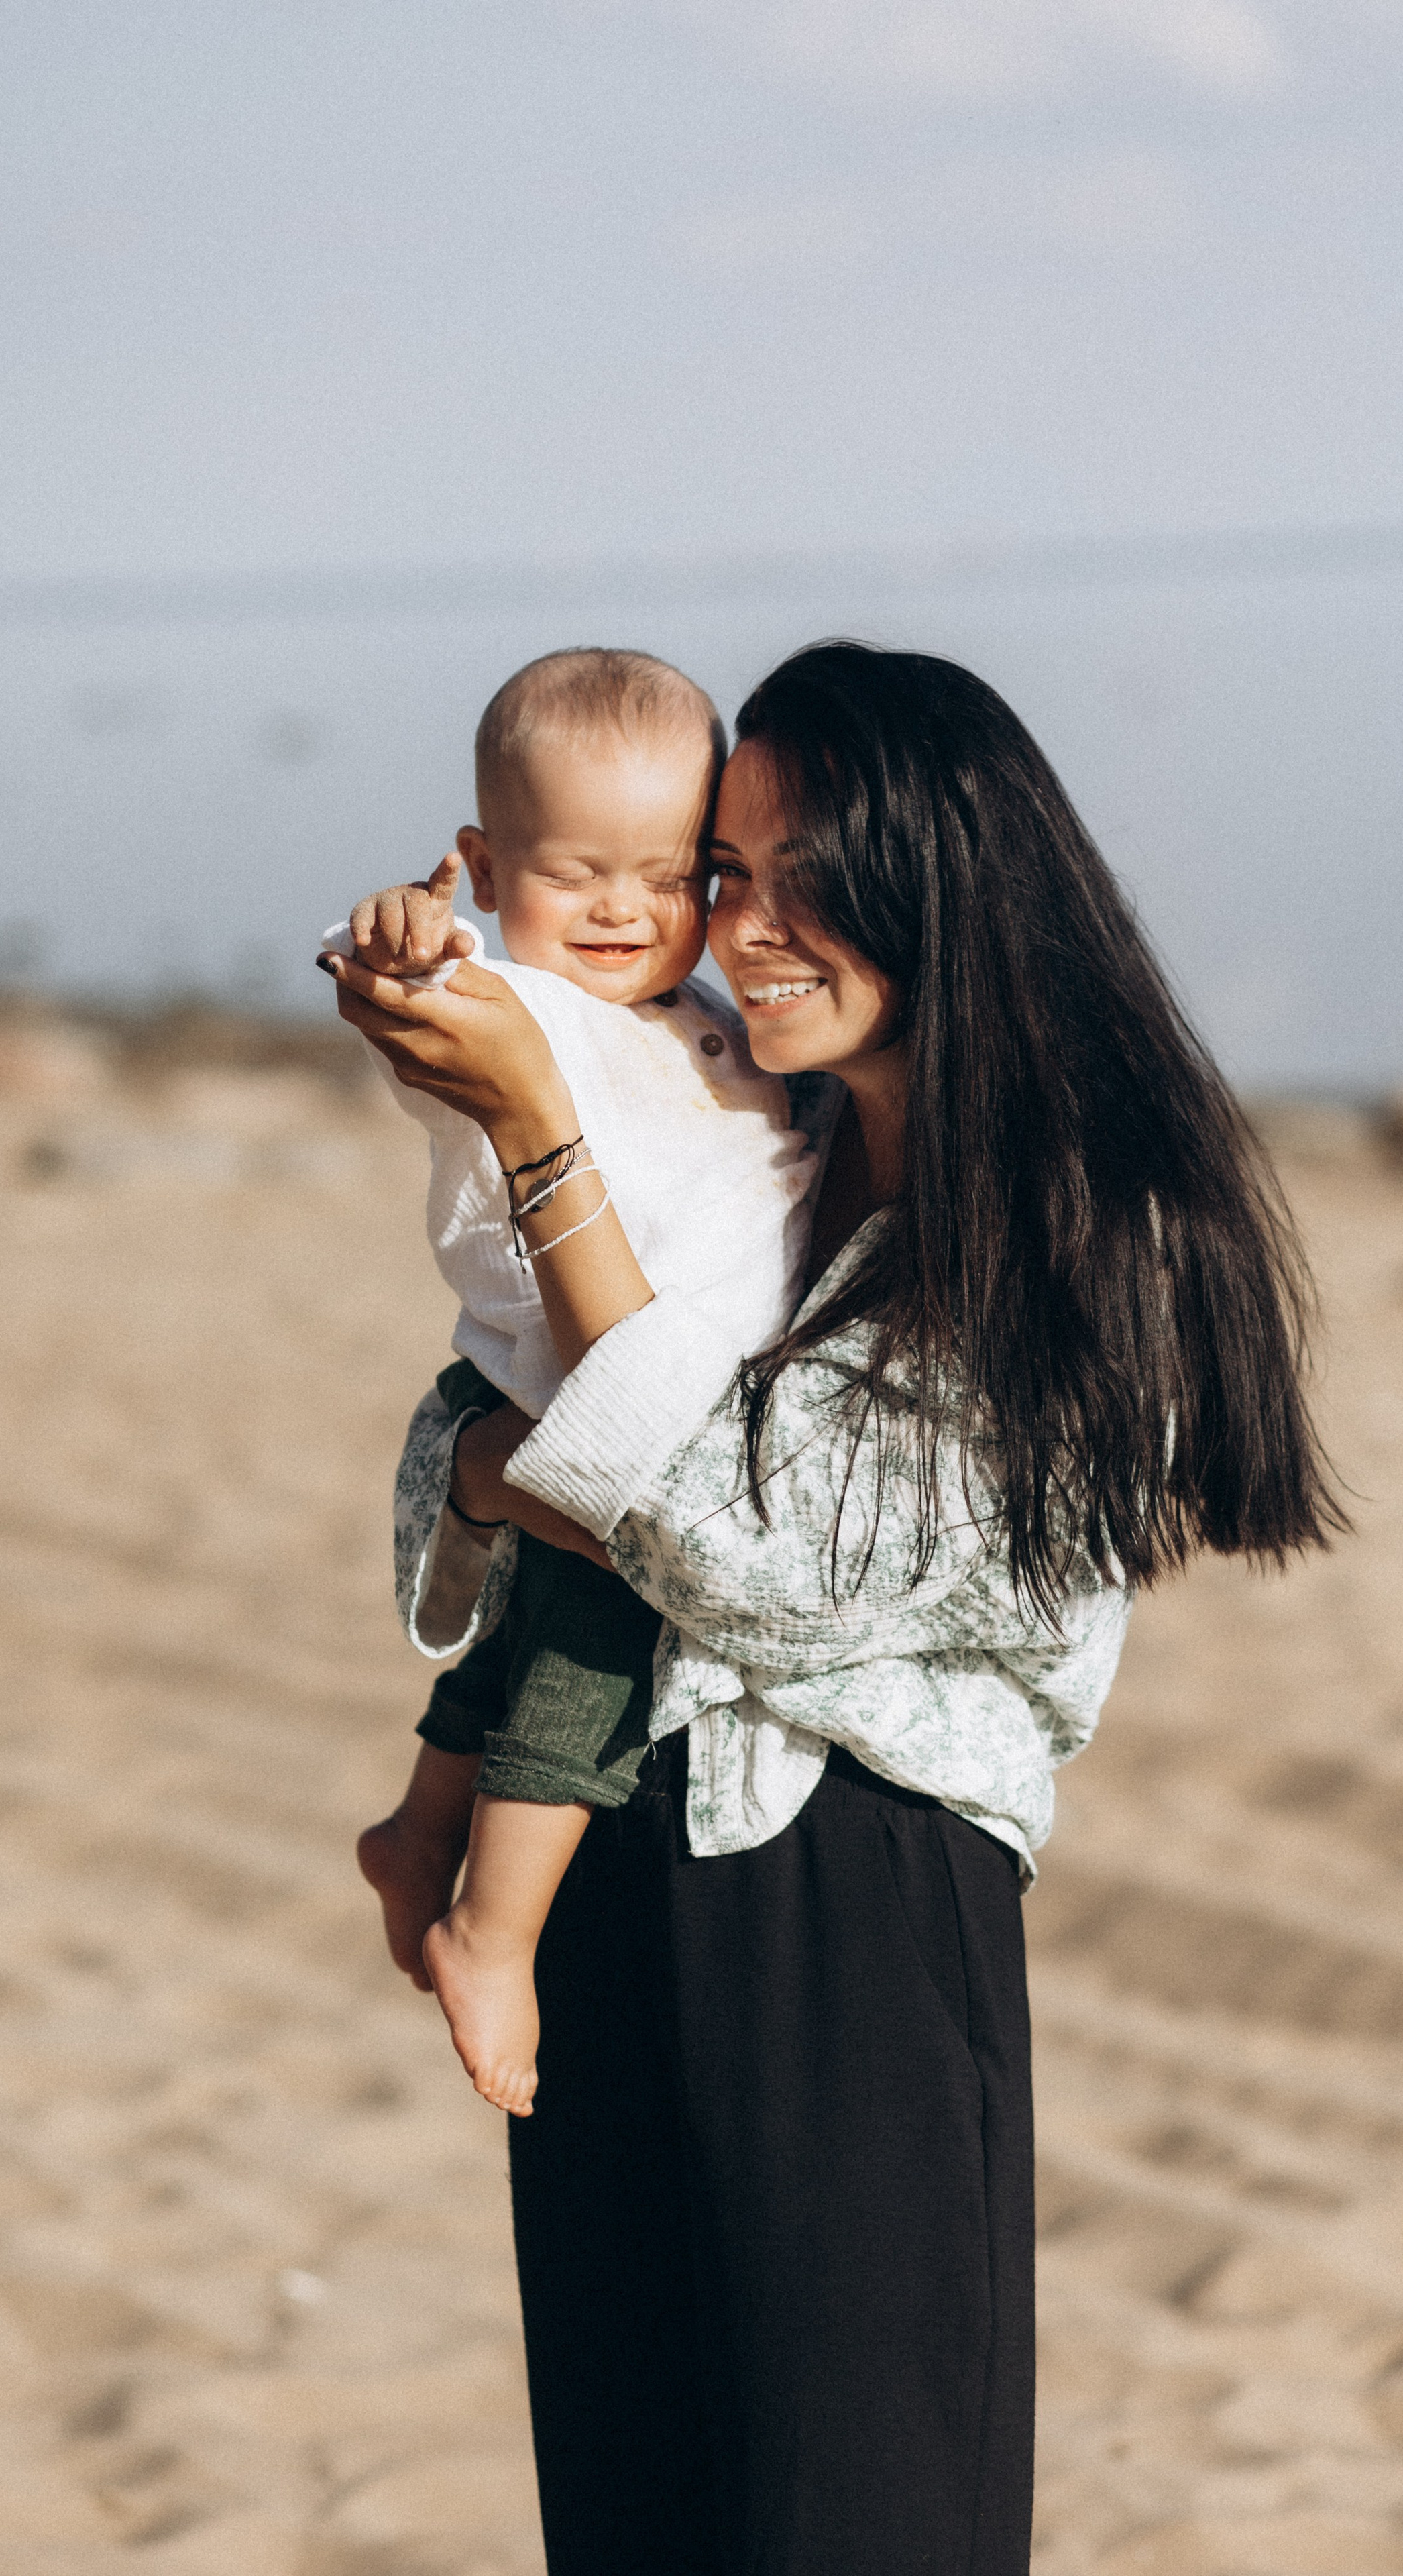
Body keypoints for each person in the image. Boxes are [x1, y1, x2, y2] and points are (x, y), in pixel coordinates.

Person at [323, 641, 1343, 2576]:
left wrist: (541, 1155)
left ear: (942, 884)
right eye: (732, 865)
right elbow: (489, 1441)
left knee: (859, 2526)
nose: (739, 924)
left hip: (851, 1914)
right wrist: (509, 1457)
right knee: (637, 2518)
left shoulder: (1088, 1228)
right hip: (614, 1862)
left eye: (802, 874)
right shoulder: (744, 1149)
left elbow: (751, 1562)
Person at [323, 647, 820, 2114]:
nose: (622, 911)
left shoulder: (705, 1024)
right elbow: (403, 1009)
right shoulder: (506, 1007)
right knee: (600, 1626)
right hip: (580, 1380)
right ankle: (493, 1920)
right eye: (575, 872)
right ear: (484, 865)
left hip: (655, 1385)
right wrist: (410, 942)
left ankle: (419, 1829)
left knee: (529, 1612)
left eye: (670, 879)